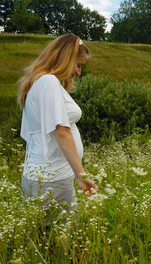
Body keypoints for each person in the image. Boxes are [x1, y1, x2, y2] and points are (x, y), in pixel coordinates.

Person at [17, 33, 98, 215]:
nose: (79, 72)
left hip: (44, 176)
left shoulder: (38, 82)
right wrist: (81, 175)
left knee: (45, 238)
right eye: (78, 65)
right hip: (52, 177)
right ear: (65, 59)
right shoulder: (48, 81)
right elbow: (61, 131)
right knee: (62, 239)